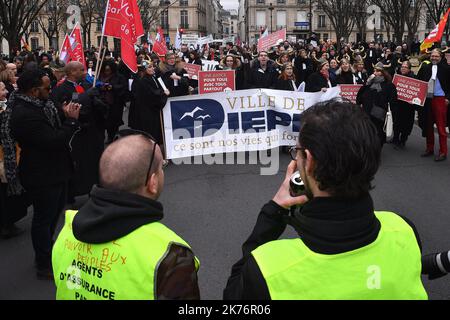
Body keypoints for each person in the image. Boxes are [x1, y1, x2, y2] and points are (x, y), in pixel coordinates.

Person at [223, 99, 427, 300]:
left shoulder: (267, 268)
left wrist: (273, 211)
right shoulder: (404, 229)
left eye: (298, 152)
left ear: (309, 161)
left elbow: (233, 293)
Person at [52, 131, 200, 300]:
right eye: (162, 166)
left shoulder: (67, 230)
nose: (162, 170)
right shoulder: (170, 254)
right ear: (152, 183)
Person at [9, 70, 81, 279]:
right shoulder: (24, 114)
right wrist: (71, 122)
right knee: (43, 219)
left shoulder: (42, 105)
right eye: (48, 88)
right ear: (33, 90)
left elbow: (53, 123)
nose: (51, 91)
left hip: (56, 170)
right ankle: (44, 263)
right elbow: (52, 140)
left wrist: (65, 114)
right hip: (42, 174)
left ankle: (47, 250)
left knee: (51, 217)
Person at [50, 61, 107, 201]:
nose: (84, 72)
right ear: (71, 72)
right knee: (78, 164)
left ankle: (94, 189)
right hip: (77, 133)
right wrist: (86, 96)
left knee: (94, 161)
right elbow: (68, 107)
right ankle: (71, 194)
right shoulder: (62, 89)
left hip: (92, 131)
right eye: (81, 70)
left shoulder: (86, 85)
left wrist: (99, 103)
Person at [0, 81, 28, 238]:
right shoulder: (3, 112)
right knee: (5, 195)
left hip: (7, 156)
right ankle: (6, 224)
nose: (6, 92)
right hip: (4, 159)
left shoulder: (5, 107)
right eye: (3, 89)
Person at [417, 49, 450, 161]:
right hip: (428, 99)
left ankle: (443, 151)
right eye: (432, 56)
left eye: (436, 56)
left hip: (440, 99)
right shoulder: (425, 68)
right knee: (428, 125)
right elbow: (419, 82)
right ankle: (429, 148)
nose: (434, 58)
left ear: (440, 57)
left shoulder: (446, 69)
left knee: (441, 127)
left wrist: (448, 98)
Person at [356, 62, 397, 146]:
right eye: (374, 71)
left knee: (378, 132)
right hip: (367, 111)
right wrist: (367, 83)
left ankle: (378, 148)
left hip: (379, 112)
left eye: (378, 71)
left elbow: (393, 99)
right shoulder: (370, 83)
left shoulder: (389, 85)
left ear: (383, 73)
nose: (375, 73)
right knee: (367, 131)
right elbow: (360, 95)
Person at [131, 60, 170, 147]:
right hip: (148, 111)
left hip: (151, 111)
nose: (153, 68)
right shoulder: (143, 81)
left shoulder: (152, 77)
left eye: (153, 66)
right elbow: (152, 95)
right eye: (149, 67)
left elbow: (157, 89)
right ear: (144, 70)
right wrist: (164, 94)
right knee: (151, 133)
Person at [98, 60, 128, 143]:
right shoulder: (100, 76)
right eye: (105, 70)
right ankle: (107, 136)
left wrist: (112, 87)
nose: (107, 72)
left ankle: (113, 136)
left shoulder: (119, 77)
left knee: (114, 121)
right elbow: (96, 86)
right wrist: (101, 87)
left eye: (109, 70)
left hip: (115, 103)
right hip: (103, 102)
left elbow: (123, 87)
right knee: (105, 121)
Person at [391, 61, 416, 149]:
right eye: (402, 66)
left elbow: (417, 92)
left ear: (409, 69)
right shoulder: (397, 77)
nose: (403, 68)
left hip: (408, 106)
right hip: (398, 104)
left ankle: (402, 141)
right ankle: (395, 138)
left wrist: (413, 100)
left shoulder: (413, 78)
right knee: (396, 122)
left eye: (405, 67)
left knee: (405, 124)